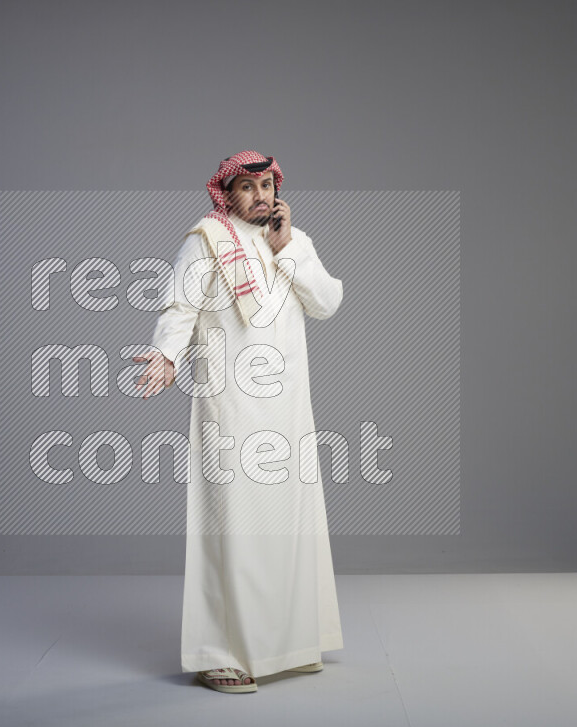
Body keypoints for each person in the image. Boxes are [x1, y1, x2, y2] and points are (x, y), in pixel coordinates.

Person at [134, 150, 344, 693]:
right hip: (230, 404)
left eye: (267, 185)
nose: (260, 196)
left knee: (288, 523)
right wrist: (167, 355)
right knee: (233, 525)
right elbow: (178, 309)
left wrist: (288, 249)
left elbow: (327, 302)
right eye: (247, 187)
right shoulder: (204, 241)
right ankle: (218, 653)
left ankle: (288, 643)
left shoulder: (294, 243)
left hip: (289, 407)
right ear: (225, 194)